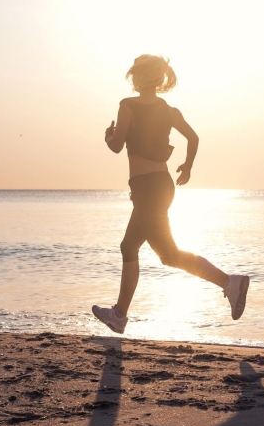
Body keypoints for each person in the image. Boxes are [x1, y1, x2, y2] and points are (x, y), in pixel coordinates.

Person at [92, 55, 249, 334]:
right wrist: (187, 167)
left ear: (138, 77)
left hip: (148, 188)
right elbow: (193, 137)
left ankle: (229, 282)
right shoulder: (170, 111)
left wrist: (108, 136)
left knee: (166, 254)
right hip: (160, 185)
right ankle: (119, 315)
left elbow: (116, 147)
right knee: (134, 248)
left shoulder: (126, 106)